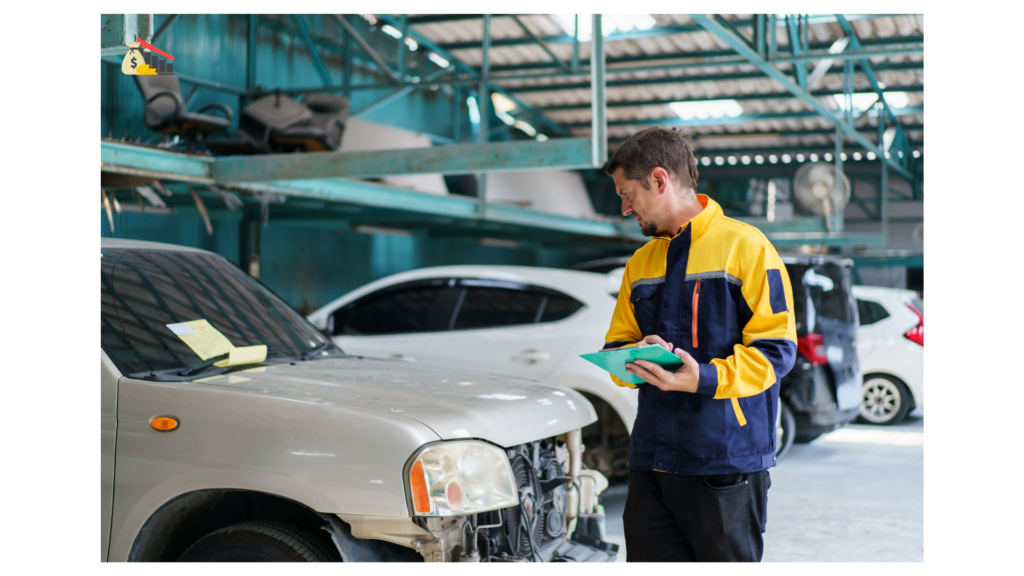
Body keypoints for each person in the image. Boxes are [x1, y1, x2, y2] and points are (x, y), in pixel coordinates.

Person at [603, 127, 797, 562]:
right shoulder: (640, 262)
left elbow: (776, 351)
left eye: (627, 193)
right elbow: (618, 342)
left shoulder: (746, 247)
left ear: (658, 180)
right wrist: (630, 360)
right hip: (651, 459)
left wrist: (702, 379)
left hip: (724, 459)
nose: (624, 207)